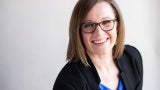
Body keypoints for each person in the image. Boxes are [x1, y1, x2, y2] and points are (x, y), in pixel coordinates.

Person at [53, 0, 143, 90]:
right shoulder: (67, 83)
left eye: (106, 22)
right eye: (89, 25)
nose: (99, 33)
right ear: (78, 32)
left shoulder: (132, 58)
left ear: (117, 26)